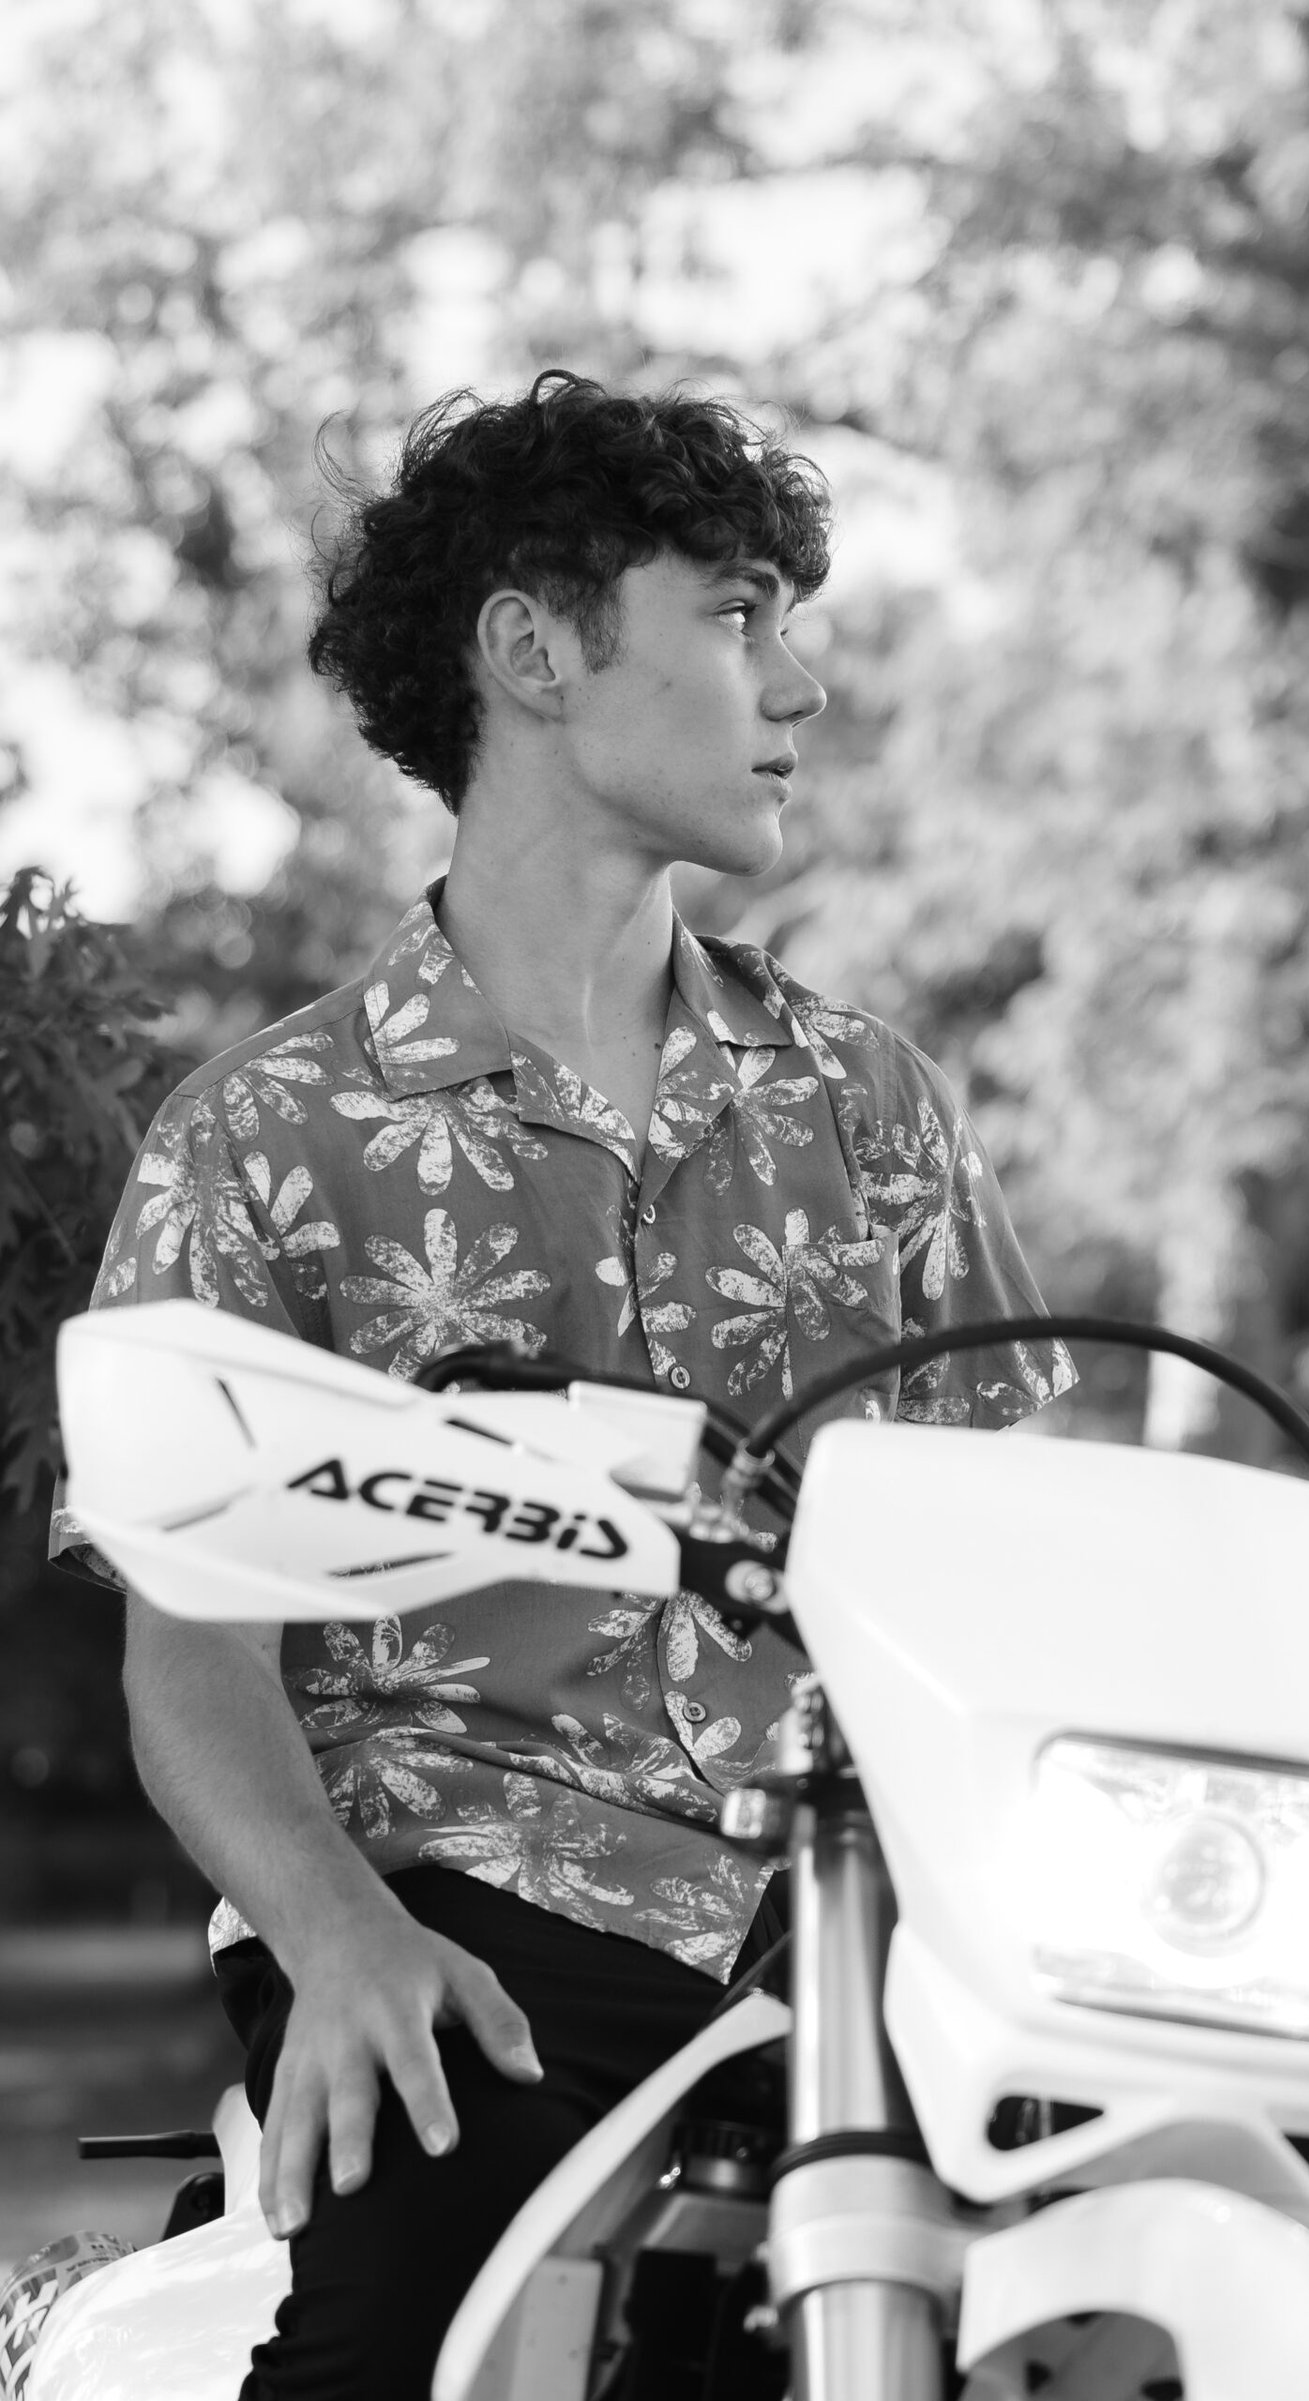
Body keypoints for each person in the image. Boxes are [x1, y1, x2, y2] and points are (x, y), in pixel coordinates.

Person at [54, 370, 1073, 2398]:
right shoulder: (264, 1133)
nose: (798, 683)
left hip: (862, 1923)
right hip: (466, 1905)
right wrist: (341, 1937)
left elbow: (1010, 1548)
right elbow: (194, 1659)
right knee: (408, 2332)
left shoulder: (868, 1102)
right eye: (737, 615)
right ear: (533, 647)